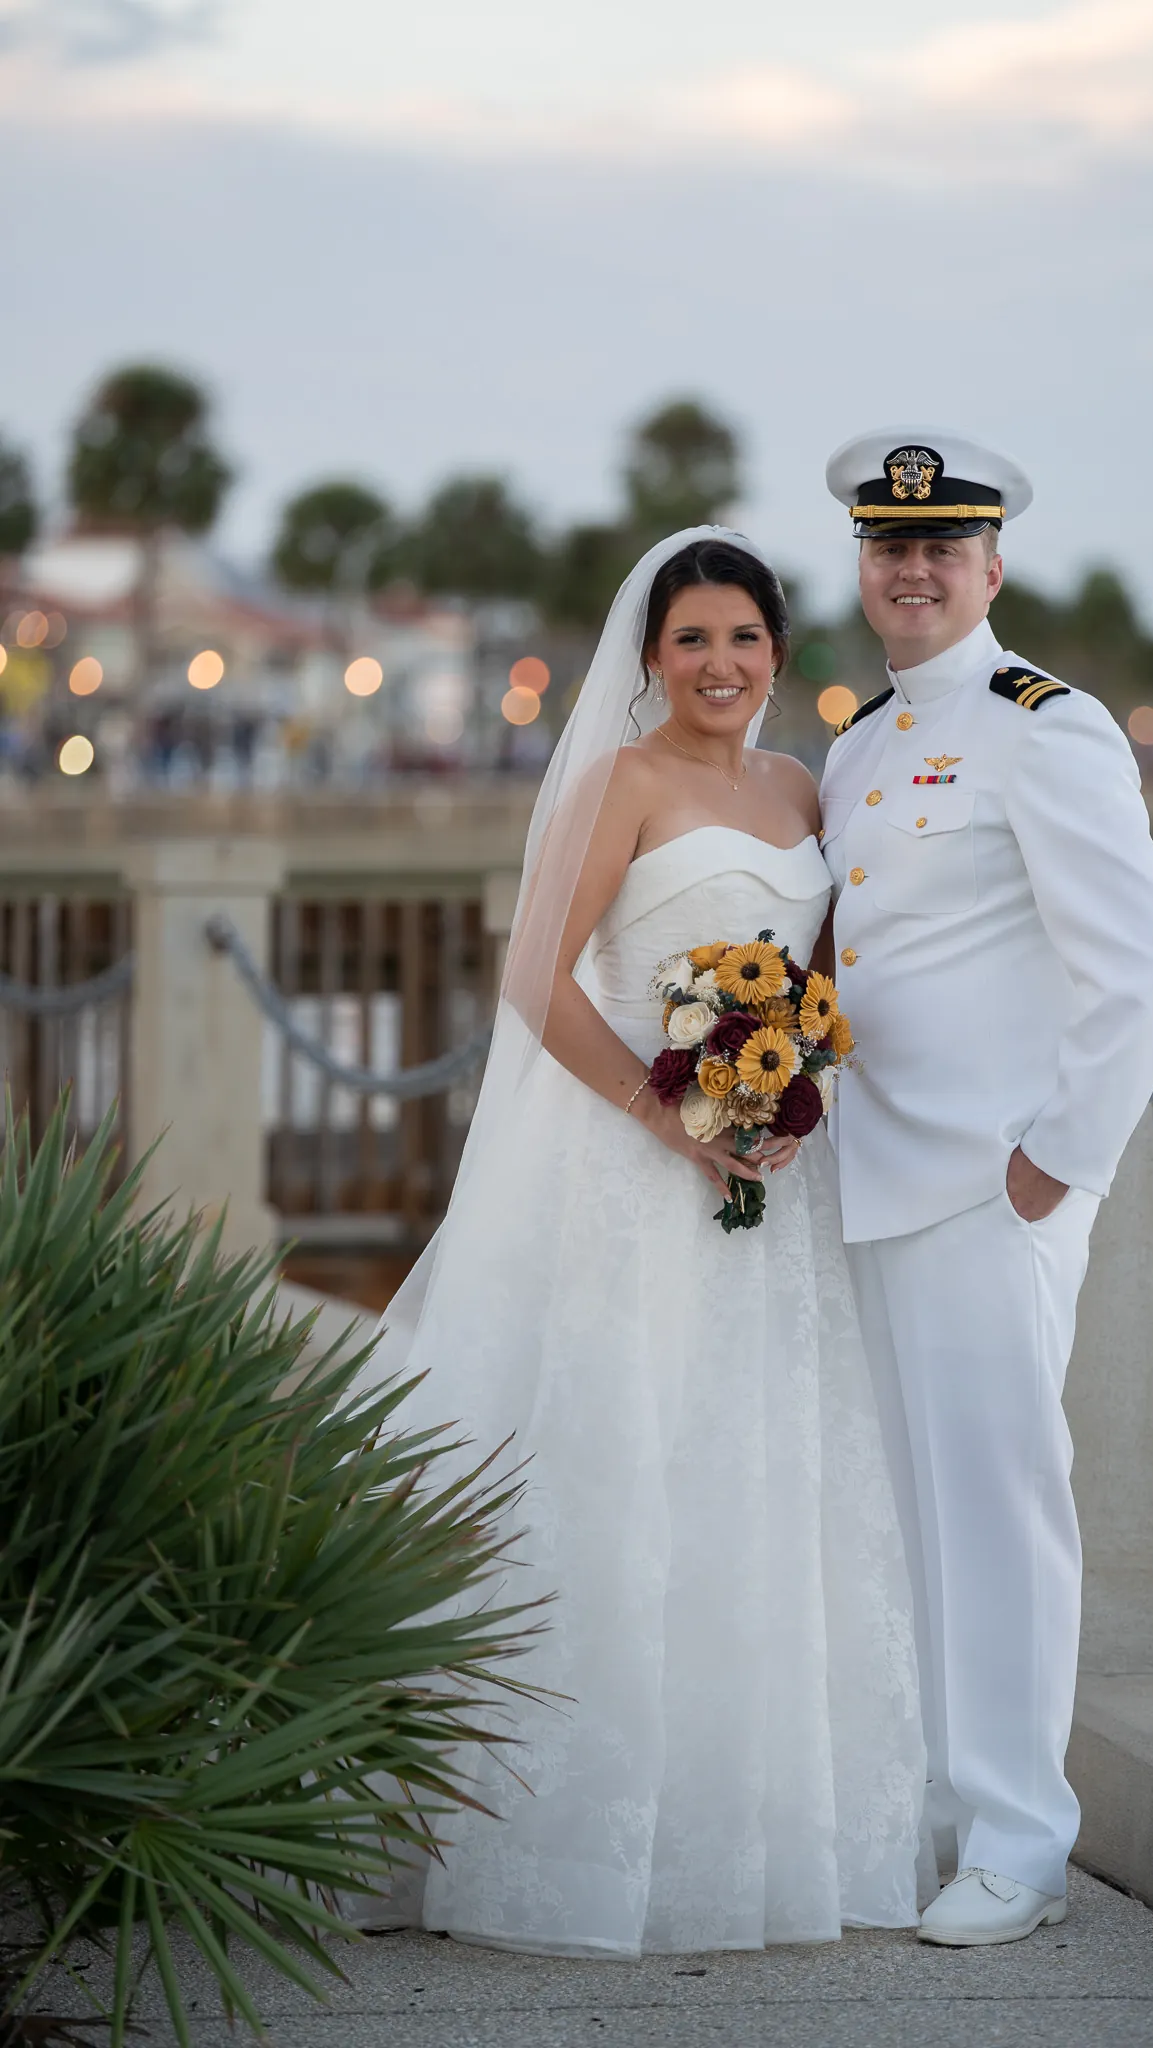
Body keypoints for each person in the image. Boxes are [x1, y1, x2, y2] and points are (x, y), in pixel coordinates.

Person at [365, 528, 925, 1958]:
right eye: (692, 642)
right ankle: (565, 1838)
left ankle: (730, 1832)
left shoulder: (803, 788)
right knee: (621, 1458)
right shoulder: (622, 780)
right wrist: (667, 1113)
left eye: (743, 639)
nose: (720, 666)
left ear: (780, 654)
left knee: (748, 1470)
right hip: (628, 1174)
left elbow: (809, 981)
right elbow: (534, 978)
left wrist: (786, 1092)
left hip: (766, 1182)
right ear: (652, 657)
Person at [819, 428, 1153, 1947]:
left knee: (999, 1513)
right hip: (866, 1171)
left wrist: (1060, 1163)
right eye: (889, 546)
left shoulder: (1050, 724)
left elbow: (1140, 963)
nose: (913, 568)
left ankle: (1023, 1844)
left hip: (990, 1185)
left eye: (942, 547)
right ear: (865, 563)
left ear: (990, 566)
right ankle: (941, 1808)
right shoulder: (853, 744)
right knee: (907, 1513)